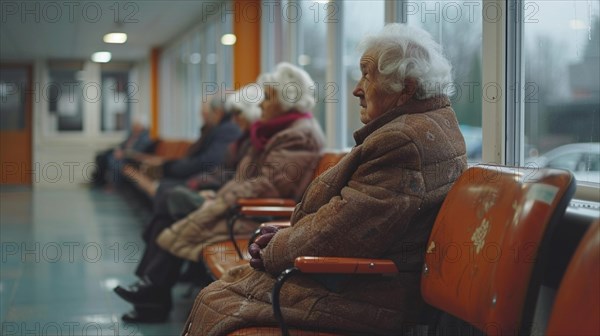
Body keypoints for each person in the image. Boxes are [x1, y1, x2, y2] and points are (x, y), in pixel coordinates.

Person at [180, 23, 468, 335]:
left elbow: (341, 232)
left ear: (407, 90)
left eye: (367, 76)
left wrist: (274, 248)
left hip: (365, 293)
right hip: (358, 280)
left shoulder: (402, 141)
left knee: (217, 299)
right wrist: (284, 237)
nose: (357, 88)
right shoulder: (426, 128)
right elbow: (348, 221)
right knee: (220, 292)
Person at [114, 69, 325, 322]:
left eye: (267, 97)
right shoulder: (275, 132)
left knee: (174, 214)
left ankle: (153, 293)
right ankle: (152, 291)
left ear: (287, 100)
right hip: (244, 207)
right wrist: (221, 198)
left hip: (259, 217)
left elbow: (268, 186)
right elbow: (243, 178)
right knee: (172, 213)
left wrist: (221, 200)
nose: (260, 104)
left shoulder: (296, 134)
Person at [123, 95, 241, 197]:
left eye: (205, 114)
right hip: (200, 175)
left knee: (164, 189)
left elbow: (207, 162)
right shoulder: (215, 130)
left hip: (207, 179)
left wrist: (169, 167)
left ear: (218, 112)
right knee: (162, 187)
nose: (203, 118)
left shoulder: (226, 130)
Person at [91, 115, 152, 188]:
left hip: (129, 158)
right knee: (100, 156)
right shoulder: (133, 133)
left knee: (113, 161)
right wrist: (119, 149)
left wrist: (123, 153)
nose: (133, 126)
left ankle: (111, 185)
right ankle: (98, 181)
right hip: (122, 152)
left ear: (142, 126)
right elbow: (124, 144)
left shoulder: (145, 138)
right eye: (134, 125)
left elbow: (138, 152)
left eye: (136, 125)